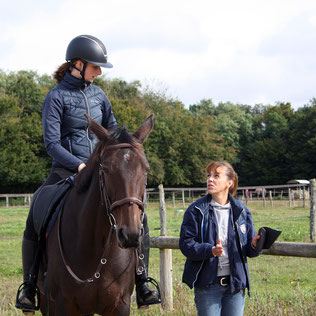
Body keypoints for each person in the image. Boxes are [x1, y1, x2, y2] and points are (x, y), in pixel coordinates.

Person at [16, 34, 160, 312]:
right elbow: (52, 144)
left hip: (103, 170)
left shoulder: (99, 95)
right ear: (78, 64)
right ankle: (31, 285)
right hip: (66, 171)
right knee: (38, 207)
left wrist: (121, 152)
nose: (98, 72)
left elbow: (114, 132)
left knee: (138, 216)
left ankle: (142, 281)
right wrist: (79, 165)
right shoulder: (55, 97)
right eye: (95, 67)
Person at [179, 161, 261, 316]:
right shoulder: (195, 211)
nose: (210, 179)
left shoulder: (242, 211)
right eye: (209, 175)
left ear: (229, 183)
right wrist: (210, 250)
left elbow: (250, 252)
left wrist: (256, 245)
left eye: (216, 175)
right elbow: (186, 245)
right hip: (208, 285)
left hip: (235, 286)